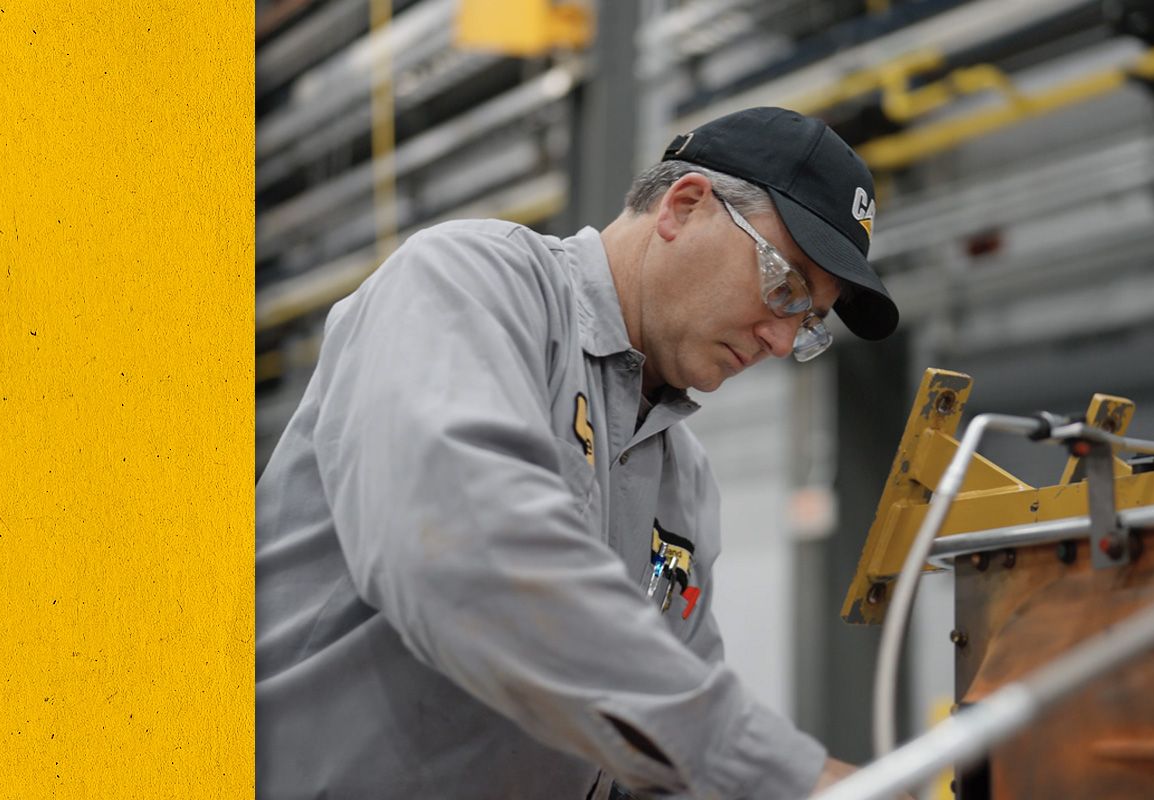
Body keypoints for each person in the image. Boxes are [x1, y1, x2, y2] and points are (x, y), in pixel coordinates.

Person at [256, 106, 899, 799]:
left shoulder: (684, 481)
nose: (782, 340)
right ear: (684, 207)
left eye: (809, 322)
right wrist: (778, 772)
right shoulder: (470, 283)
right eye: (785, 286)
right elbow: (464, 557)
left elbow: (655, 750)